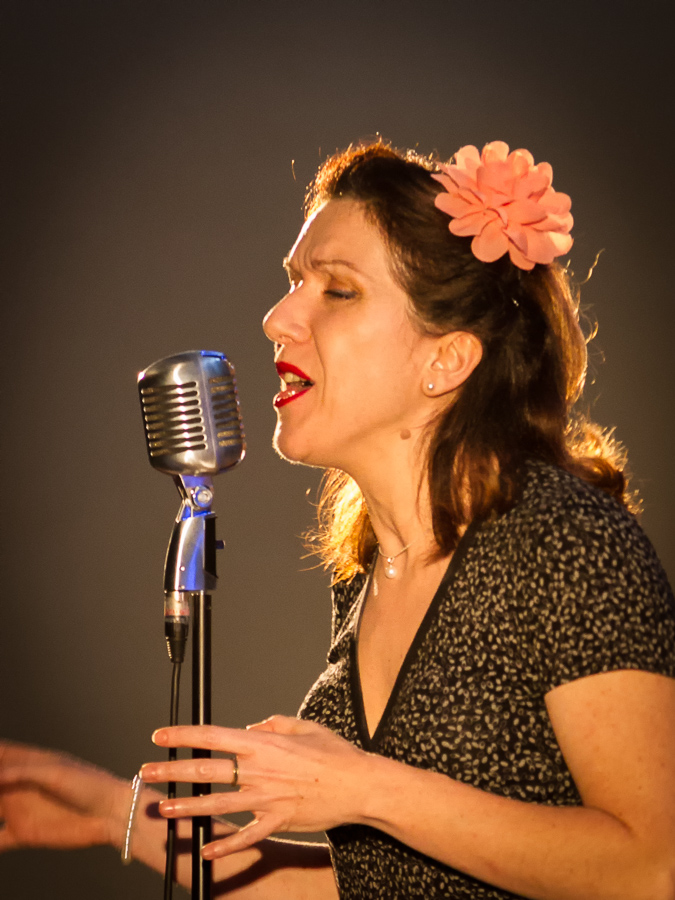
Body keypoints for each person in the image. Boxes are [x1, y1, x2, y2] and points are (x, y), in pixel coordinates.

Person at [1, 140, 675, 900]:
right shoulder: (367, 570)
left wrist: (364, 788)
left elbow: (651, 869)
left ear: (447, 360)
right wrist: (114, 812)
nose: (276, 318)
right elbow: (380, 883)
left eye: (338, 290)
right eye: (295, 282)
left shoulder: (564, 542)